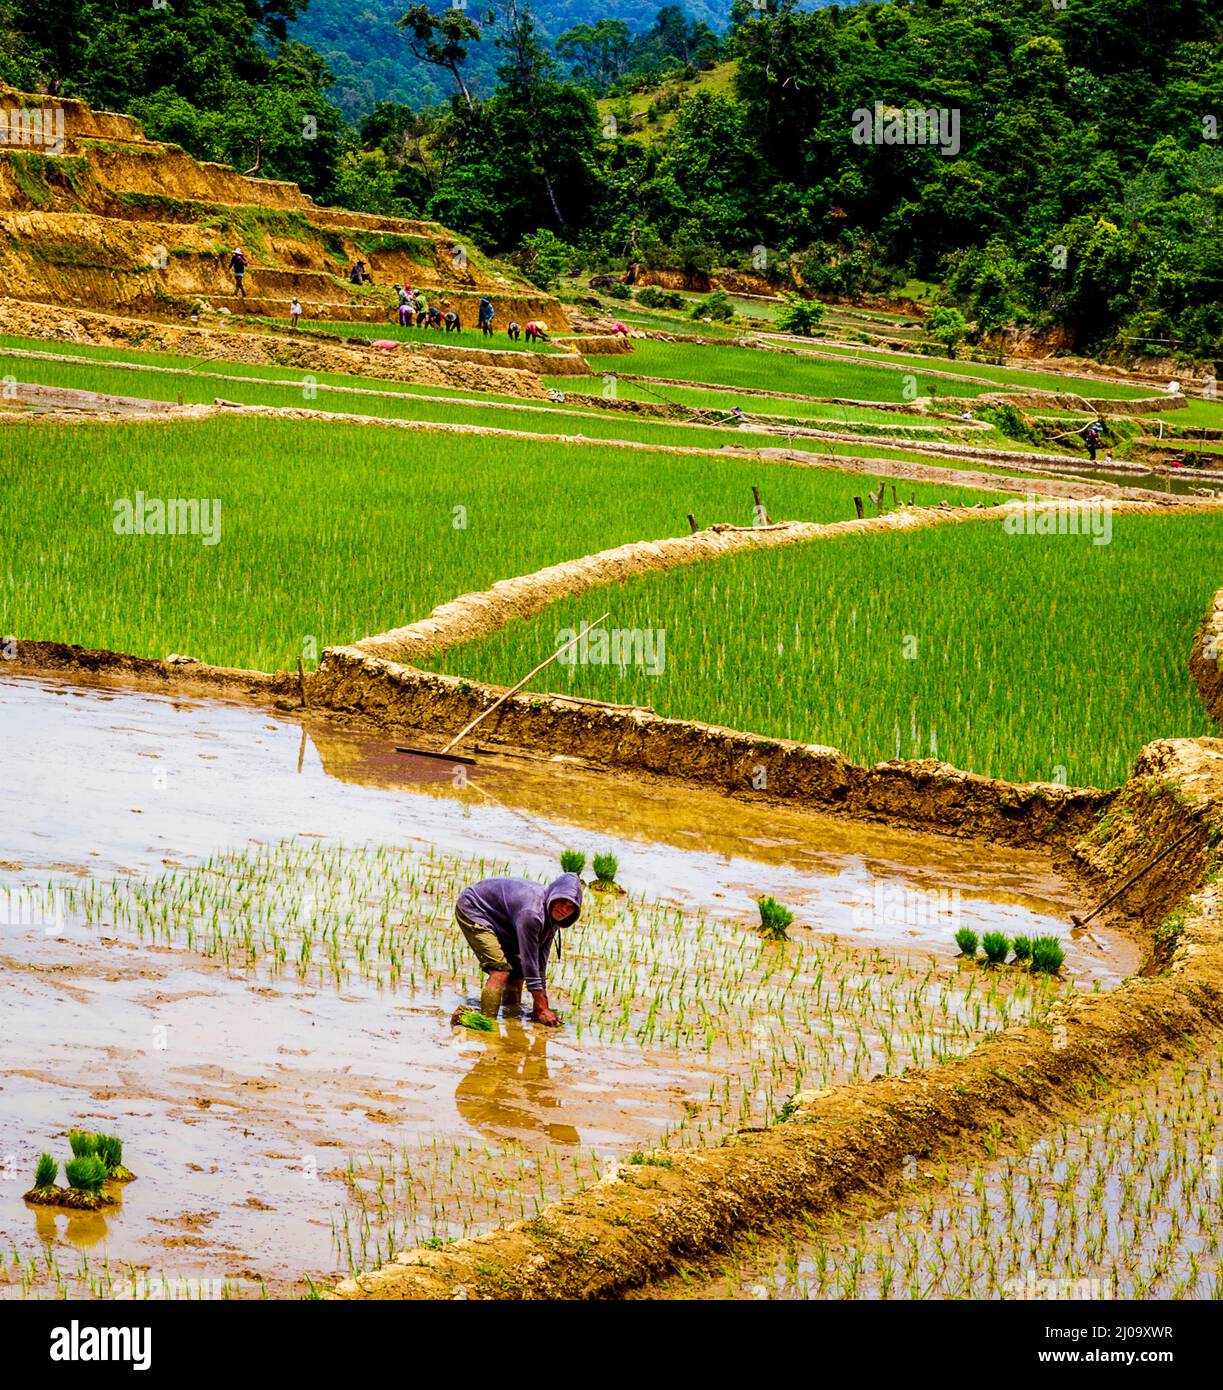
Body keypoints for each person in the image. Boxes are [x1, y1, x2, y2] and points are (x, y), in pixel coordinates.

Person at [453, 873, 582, 1025]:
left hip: (503, 920)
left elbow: (540, 960)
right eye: (562, 902)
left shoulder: (552, 918)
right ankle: (487, 1024)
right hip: (475, 907)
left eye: (571, 907)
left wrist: (541, 1002)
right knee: (500, 970)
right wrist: (541, 1006)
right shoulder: (533, 913)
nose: (564, 910)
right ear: (554, 896)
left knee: (518, 971)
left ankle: (511, 1018)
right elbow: (529, 960)